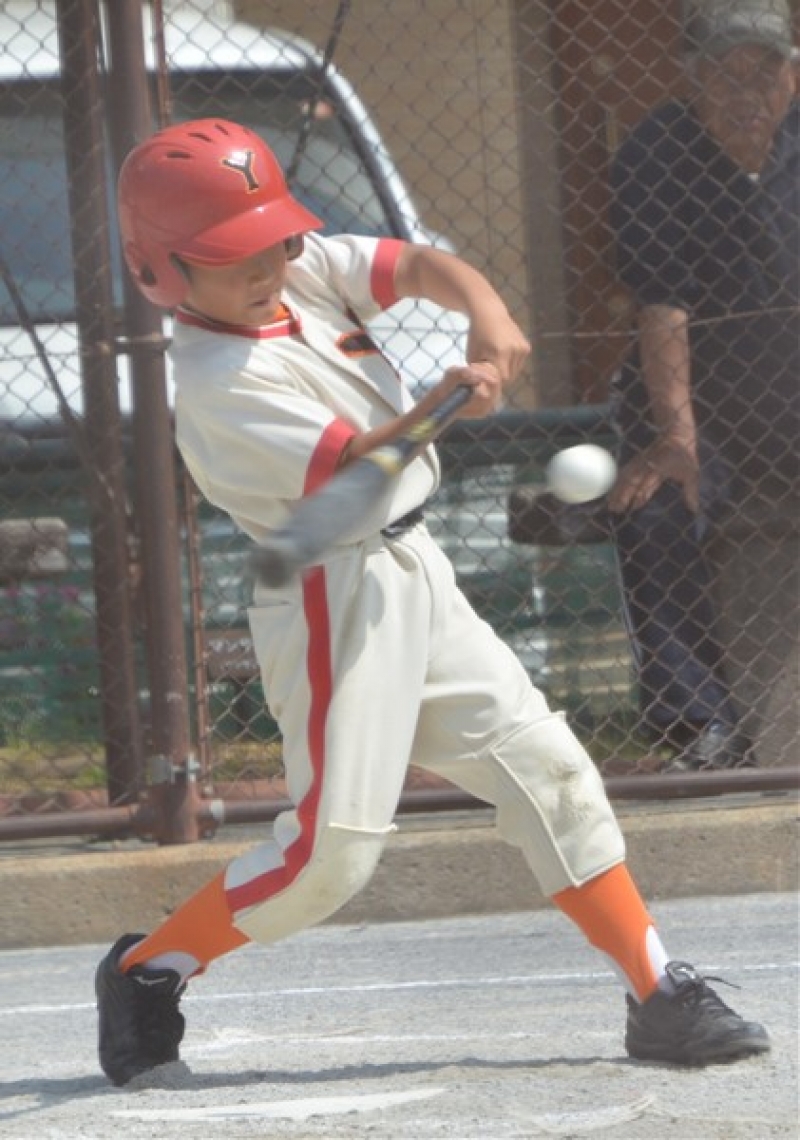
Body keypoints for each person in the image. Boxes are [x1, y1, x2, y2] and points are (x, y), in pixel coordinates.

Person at [95, 116, 770, 1086]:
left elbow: (415, 266)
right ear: (161, 270)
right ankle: (144, 970)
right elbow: (361, 464)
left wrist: (485, 315)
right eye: (233, 255)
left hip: (416, 572)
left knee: (550, 773)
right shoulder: (217, 381)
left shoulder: (300, 273)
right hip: (334, 599)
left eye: (272, 239)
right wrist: (443, 403)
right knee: (329, 861)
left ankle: (656, 990)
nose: (268, 265)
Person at [606, 0, 799, 770]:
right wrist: (677, 434)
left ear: (793, 78)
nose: (748, 94)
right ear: (693, 81)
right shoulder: (655, 153)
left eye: (766, 73)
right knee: (653, 509)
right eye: (727, 75)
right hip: (703, 409)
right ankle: (701, 722)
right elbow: (663, 302)